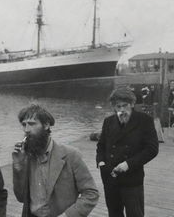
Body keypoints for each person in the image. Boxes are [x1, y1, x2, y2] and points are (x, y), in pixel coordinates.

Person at [12, 104, 99, 217]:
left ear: (46, 125)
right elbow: (20, 197)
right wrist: (18, 166)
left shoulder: (71, 155)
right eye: (24, 125)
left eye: (32, 124)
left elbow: (91, 193)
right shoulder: (26, 157)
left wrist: (68, 215)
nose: (26, 130)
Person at [96, 87, 159, 217]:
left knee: (135, 214)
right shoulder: (108, 122)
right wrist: (101, 163)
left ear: (132, 104)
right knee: (114, 214)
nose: (122, 110)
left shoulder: (144, 120)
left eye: (125, 106)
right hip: (110, 177)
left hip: (132, 178)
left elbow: (152, 149)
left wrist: (128, 164)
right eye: (118, 107)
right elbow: (101, 145)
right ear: (114, 107)